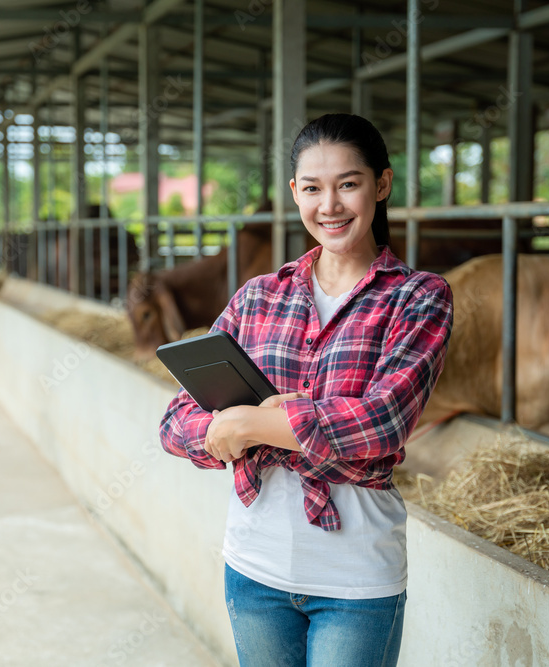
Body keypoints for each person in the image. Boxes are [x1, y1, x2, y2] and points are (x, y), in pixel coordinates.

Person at [158, 113, 454, 667]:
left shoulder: (417, 298)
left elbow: (380, 423)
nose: (331, 205)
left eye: (349, 184)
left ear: (382, 185)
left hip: (356, 579)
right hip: (252, 570)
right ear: (295, 193)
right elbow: (176, 422)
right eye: (313, 188)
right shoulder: (257, 298)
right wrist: (255, 424)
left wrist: (248, 425)